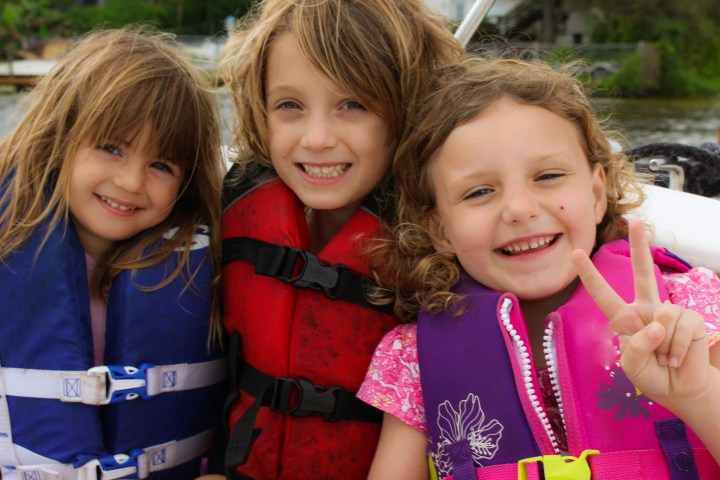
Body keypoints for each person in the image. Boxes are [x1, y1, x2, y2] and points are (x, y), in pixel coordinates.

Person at [357, 58, 720, 479]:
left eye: (547, 175)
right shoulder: (411, 360)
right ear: (439, 229)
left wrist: (699, 394)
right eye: (479, 191)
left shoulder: (693, 307)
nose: (518, 209)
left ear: (597, 192)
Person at [215, 0, 465, 478]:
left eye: (353, 104)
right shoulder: (238, 211)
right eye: (289, 105)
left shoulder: (450, 235)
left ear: (407, 109)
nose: (316, 138)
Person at [0, 28, 226, 480]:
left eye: (161, 165)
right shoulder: (9, 250)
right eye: (111, 148)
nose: (130, 181)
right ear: (60, 138)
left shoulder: (207, 274)